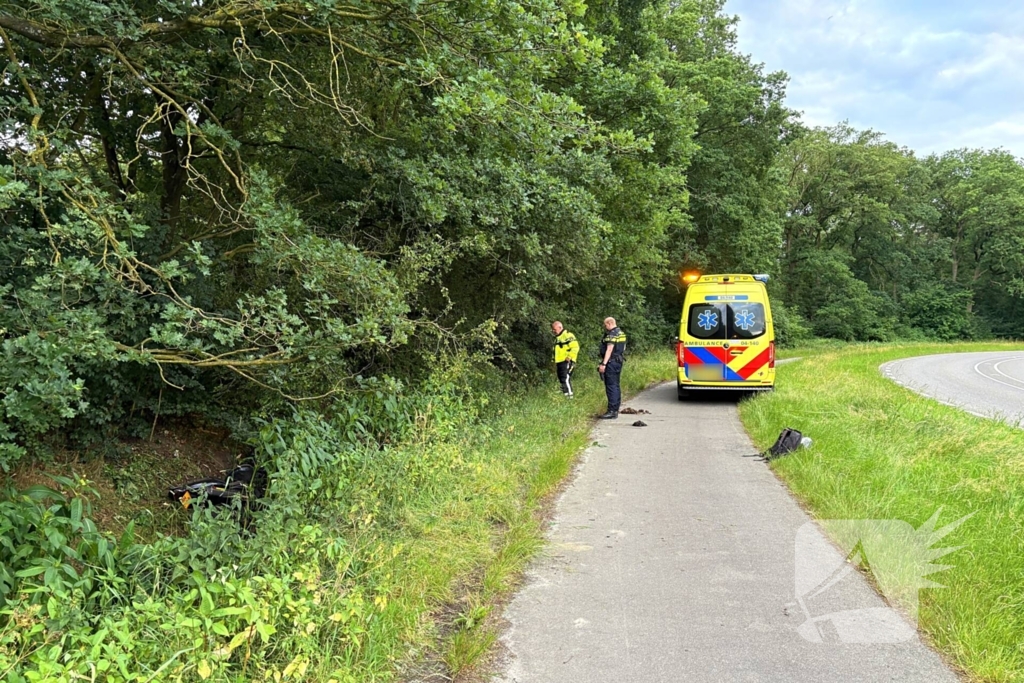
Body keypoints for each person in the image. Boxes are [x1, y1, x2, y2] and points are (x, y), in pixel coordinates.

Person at [597, 317, 626, 419]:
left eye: (605, 325)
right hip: (618, 362)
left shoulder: (611, 334)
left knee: (611, 386)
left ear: (609, 323)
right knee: (616, 385)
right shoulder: (620, 333)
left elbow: (609, 350)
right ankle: (615, 409)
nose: (605, 327)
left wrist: (603, 364)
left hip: (611, 362)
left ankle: (612, 411)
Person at [551, 321, 580, 398]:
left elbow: (575, 347)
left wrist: (569, 357)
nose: (553, 331)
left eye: (554, 329)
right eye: (552, 329)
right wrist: (553, 360)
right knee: (561, 379)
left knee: (565, 378)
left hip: (567, 361)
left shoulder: (568, 335)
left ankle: (570, 397)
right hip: (559, 362)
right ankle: (565, 396)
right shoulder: (557, 339)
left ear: (560, 327)